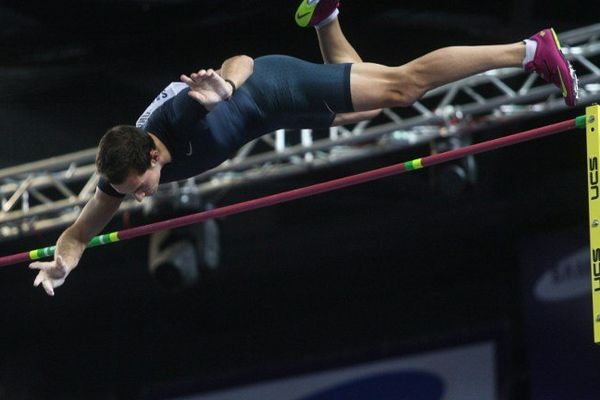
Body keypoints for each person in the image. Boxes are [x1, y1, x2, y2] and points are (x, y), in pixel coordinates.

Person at [29, 0, 579, 296]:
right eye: (130, 194)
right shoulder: (118, 176)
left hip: (271, 88)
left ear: (152, 157)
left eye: (140, 186)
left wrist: (227, 87)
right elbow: (78, 232)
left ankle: (529, 50)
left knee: (401, 87)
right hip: (267, 119)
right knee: (368, 105)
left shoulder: (177, 118)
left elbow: (240, 61)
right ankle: (326, 16)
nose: (142, 198)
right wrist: (63, 264)